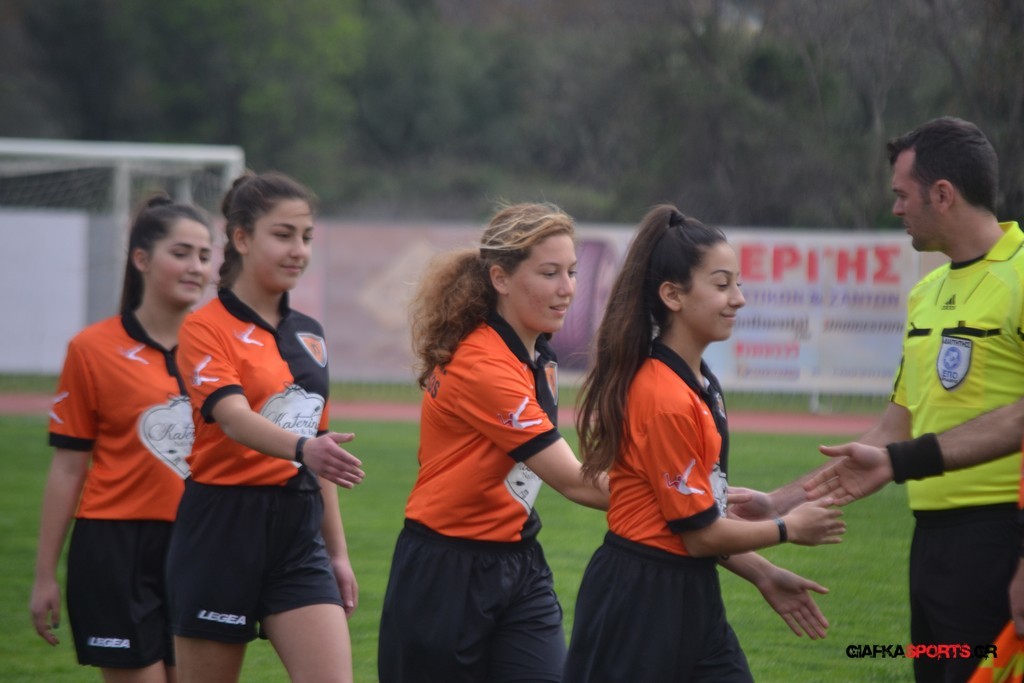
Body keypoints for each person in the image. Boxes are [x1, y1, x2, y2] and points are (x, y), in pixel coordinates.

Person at [562, 205, 846, 683]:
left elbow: (695, 525)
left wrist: (763, 572)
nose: (738, 298)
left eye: (738, 284)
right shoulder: (664, 397)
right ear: (672, 295)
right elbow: (699, 535)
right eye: (722, 285)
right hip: (639, 601)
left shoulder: (699, 382)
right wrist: (787, 527)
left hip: (690, 590)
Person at [807, 116, 1024, 682]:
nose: (896, 208)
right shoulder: (927, 292)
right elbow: (891, 431)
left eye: (903, 195)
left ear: (943, 194)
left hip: (1003, 539)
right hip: (930, 543)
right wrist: (778, 504)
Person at [377, 202, 610, 683]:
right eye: (549, 273)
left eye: (571, 272)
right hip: (445, 571)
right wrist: (685, 503)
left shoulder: (538, 355)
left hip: (519, 560)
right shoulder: (484, 365)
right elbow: (575, 482)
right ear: (500, 278)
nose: (567, 288)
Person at [166, 171, 364, 683]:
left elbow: (321, 446)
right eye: (283, 235)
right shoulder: (204, 326)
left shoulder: (310, 334)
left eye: (307, 237)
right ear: (241, 238)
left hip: (298, 534)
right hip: (221, 530)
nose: (299, 250)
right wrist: (304, 449)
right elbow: (233, 418)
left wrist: (338, 554)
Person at [30, 195, 213, 682]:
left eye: (204, 255)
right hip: (114, 549)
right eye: (181, 253)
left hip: (198, 545)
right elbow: (68, 468)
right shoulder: (91, 349)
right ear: (142, 259)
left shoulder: (218, 347)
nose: (196, 267)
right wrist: (45, 575)